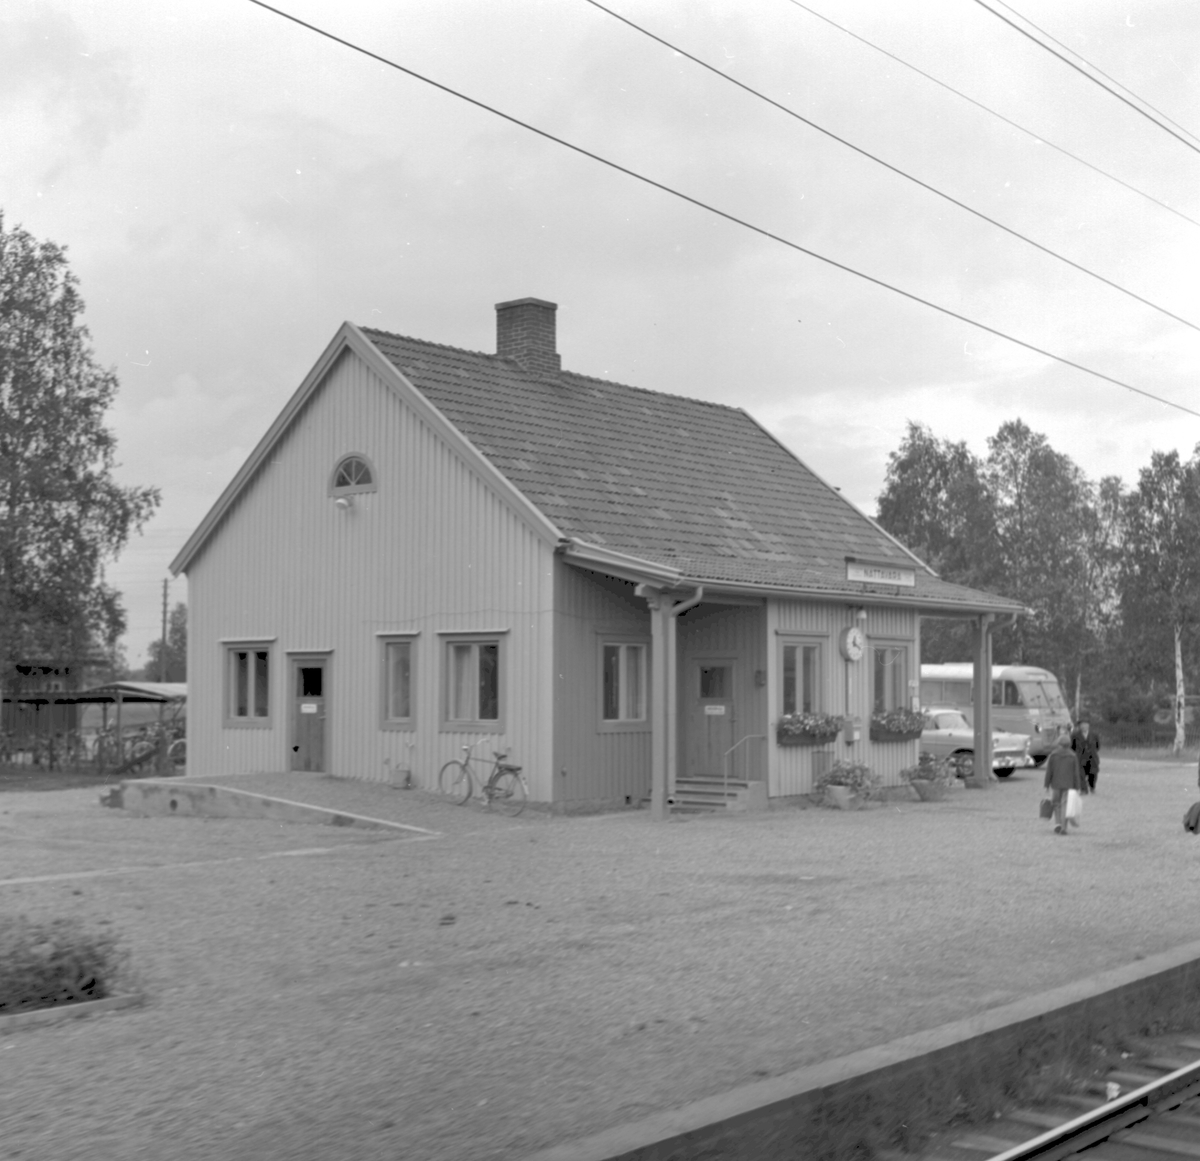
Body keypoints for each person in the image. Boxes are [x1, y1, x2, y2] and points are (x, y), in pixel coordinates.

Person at [1044, 731, 1082, 835]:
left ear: (1059, 743)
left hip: (1056, 784)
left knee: (1056, 804)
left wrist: (1046, 785)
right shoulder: (1073, 756)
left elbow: (1049, 771)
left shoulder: (1053, 755)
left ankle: (1058, 823)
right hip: (1069, 784)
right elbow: (1076, 773)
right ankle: (1064, 827)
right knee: (1065, 805)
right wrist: (1078, 787)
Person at [1071, 717, 1101, 794]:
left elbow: (1098, 746)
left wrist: (1092, 751)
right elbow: (1072, 747)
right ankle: (1083, 789)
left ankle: (1092, 787)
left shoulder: (1094, 734)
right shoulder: (1075, 735)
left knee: (1093, 774)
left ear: (1088, 725)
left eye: (1085, 724)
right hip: (1080, 758)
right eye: (1082, 725)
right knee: (1081, 774)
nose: (1084, 726)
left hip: (1092, 758)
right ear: (1079, 726)